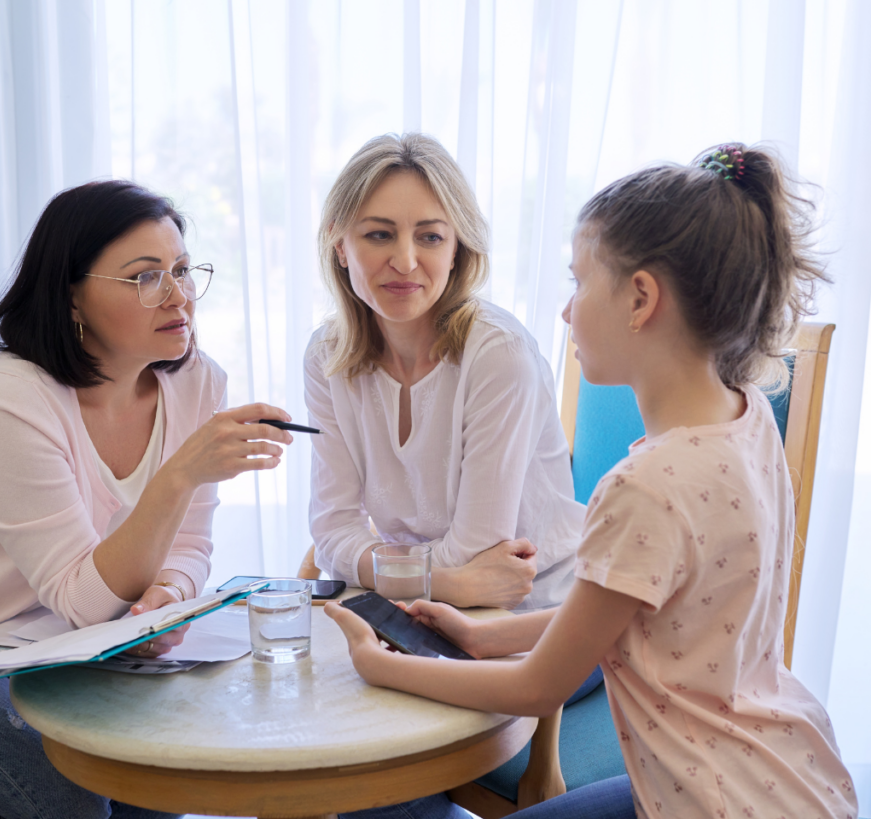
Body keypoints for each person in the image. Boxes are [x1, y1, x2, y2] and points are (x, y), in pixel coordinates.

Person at [327, 144, 859, 819]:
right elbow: (642, 615)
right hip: (787, 774)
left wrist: (381, 665)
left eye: (578, 283)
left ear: (640, 298)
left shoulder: (644, 487)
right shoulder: (745, 419)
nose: (566, 312)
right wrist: (481, 633)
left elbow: (536, 687)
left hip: (706, 799)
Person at [0, 181, 293, 819]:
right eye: (144, 277)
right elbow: (83, 600)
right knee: (70, 796)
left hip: (40, 645)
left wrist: (161, 603)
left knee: (163, 771)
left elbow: (189, 545)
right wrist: (181, 475)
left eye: (183, 270)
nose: (179, 296)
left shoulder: (197, 382)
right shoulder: (9, 400)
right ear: (71, 296)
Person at [307, 133, 584, 611]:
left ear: (456, 249)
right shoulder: (326, 355)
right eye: (379, 234)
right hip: (419, 607)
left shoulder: (500, 355)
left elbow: (478, 554)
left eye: (430, 237)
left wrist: (376, 567)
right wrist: (444, 583)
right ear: (339, 243)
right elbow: (332, 532)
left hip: (532, 611)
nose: (406, 261)